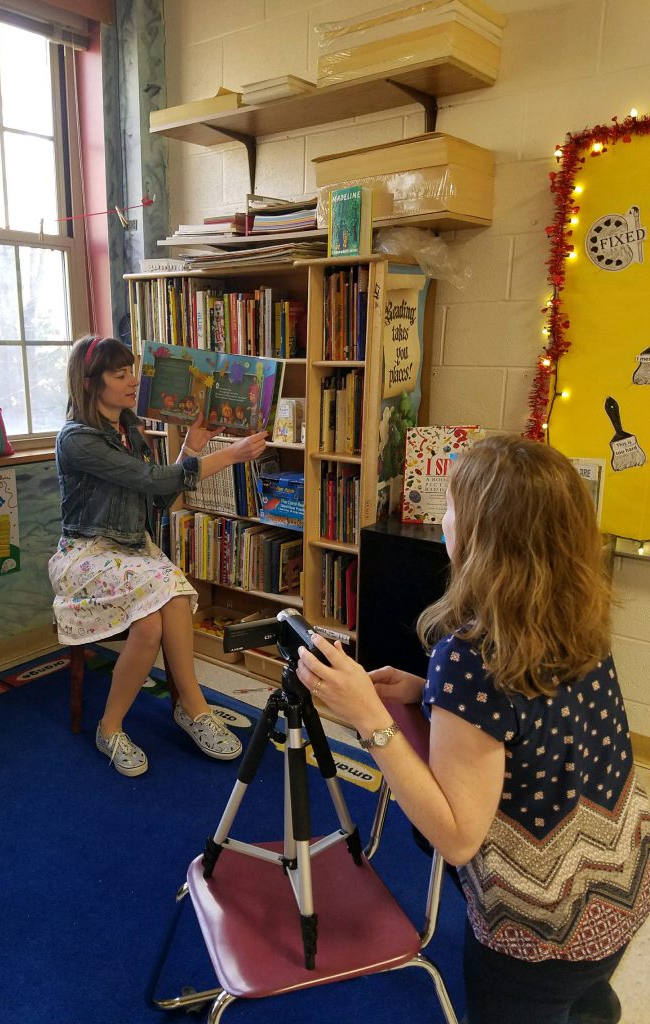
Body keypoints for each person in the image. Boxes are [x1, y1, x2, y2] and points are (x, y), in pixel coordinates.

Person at [296, 434, 650, 1024]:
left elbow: (456, 838)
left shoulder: (469, 657)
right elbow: (533, 722)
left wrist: (369, 718)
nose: (443, 520)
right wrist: (426, 693)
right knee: (589, 1005)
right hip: (624, 888)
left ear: (488, 535)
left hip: (537, 929)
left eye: (454, 507)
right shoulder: (578, 616)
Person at [50, 333, 268, 777]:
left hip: (132, 552)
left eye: (133, 370)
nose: (133, 380)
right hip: (87, 554)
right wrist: (230, 454)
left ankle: (166, 715)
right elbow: (152, 479)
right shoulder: (77, 440)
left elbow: (158, 504)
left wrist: (192, 445)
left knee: (153, 619)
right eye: (120, 373)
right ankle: (160, 716)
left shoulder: (130, 429)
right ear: (91, 383)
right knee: (164, 593)